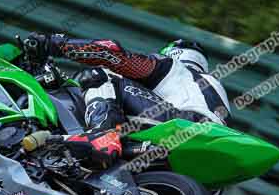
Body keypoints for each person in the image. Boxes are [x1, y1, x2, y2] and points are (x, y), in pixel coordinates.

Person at [26, 33, 233, 168]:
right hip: (203, 151)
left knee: (102, 75)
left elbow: (112, 54)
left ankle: (100, 136)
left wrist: (55, 44)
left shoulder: (174, 67)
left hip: (186, 125)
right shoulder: (213, 92)